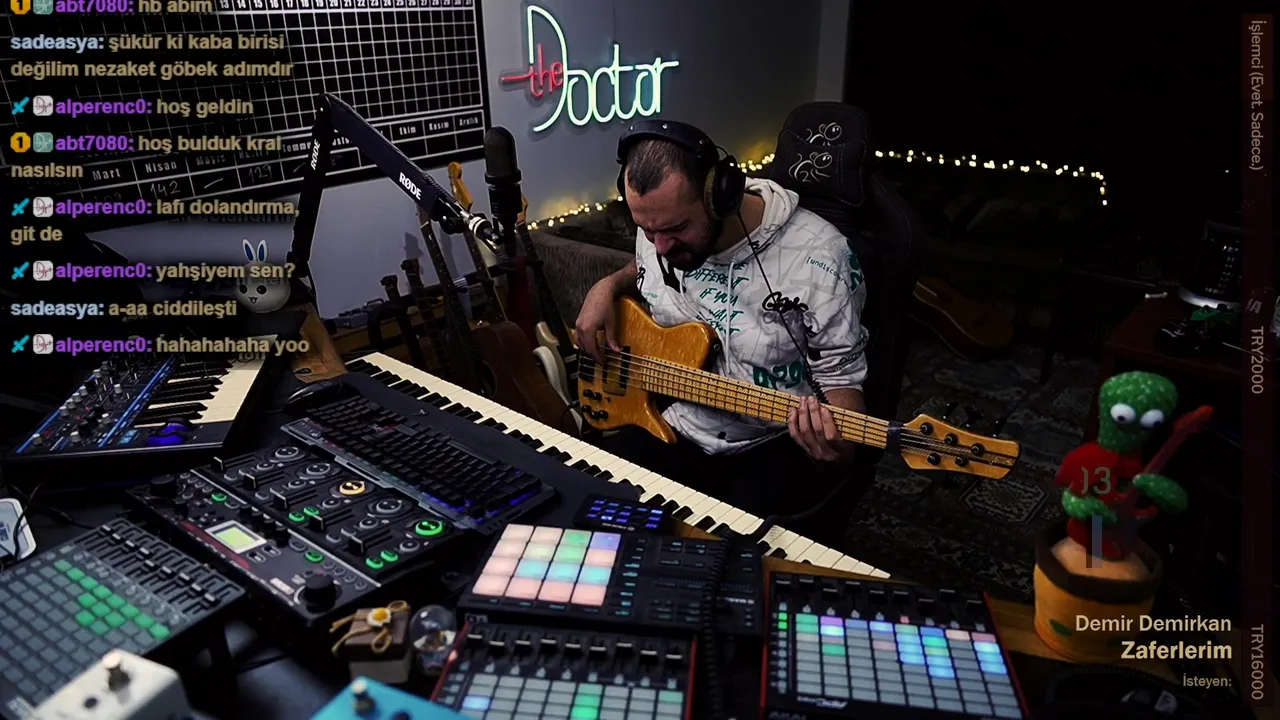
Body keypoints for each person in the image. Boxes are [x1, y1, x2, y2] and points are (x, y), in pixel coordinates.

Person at [574, 121, 870, 546]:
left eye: (676, 229)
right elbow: (645, 264)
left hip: (769, 439)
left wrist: (837, 451)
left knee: (723, 559)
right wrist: (608, 285)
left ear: (720, 195)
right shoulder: (659, 233)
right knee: (588, 511)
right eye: (648, 230)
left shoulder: (822, 257)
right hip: (679, 420)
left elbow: (841, 381)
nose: (661, 247)